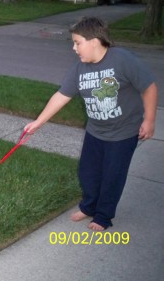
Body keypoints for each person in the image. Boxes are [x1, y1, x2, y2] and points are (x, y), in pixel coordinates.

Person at [24, 17, 158, 231]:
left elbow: (149, 87)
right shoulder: (80, 69)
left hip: (123, 133)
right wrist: (39, 122)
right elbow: (61, 95)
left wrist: (149, 120)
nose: (74, 48)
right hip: (96, 131)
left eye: (77, 42)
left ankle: (103, 216)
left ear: (94, 41)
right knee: (88, 172)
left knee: (112, 176)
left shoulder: (122, 60)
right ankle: (88, 207)